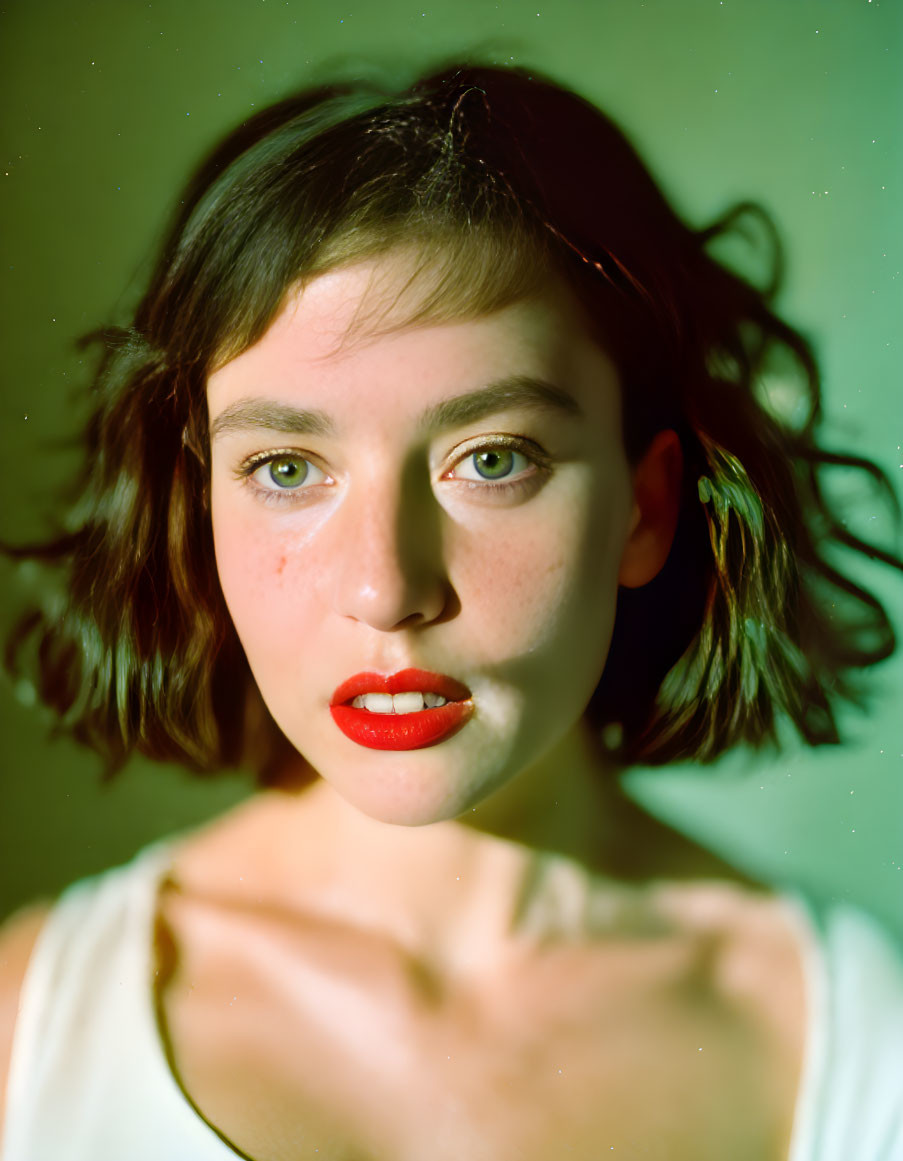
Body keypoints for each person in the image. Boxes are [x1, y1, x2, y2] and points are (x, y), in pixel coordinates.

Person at [1, 62, 901, 1161]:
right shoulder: (26, 1033)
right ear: (199, 513)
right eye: (286, 469)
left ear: (645, 507)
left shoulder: (859, 1046)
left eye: (491, 459)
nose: (386, 589)